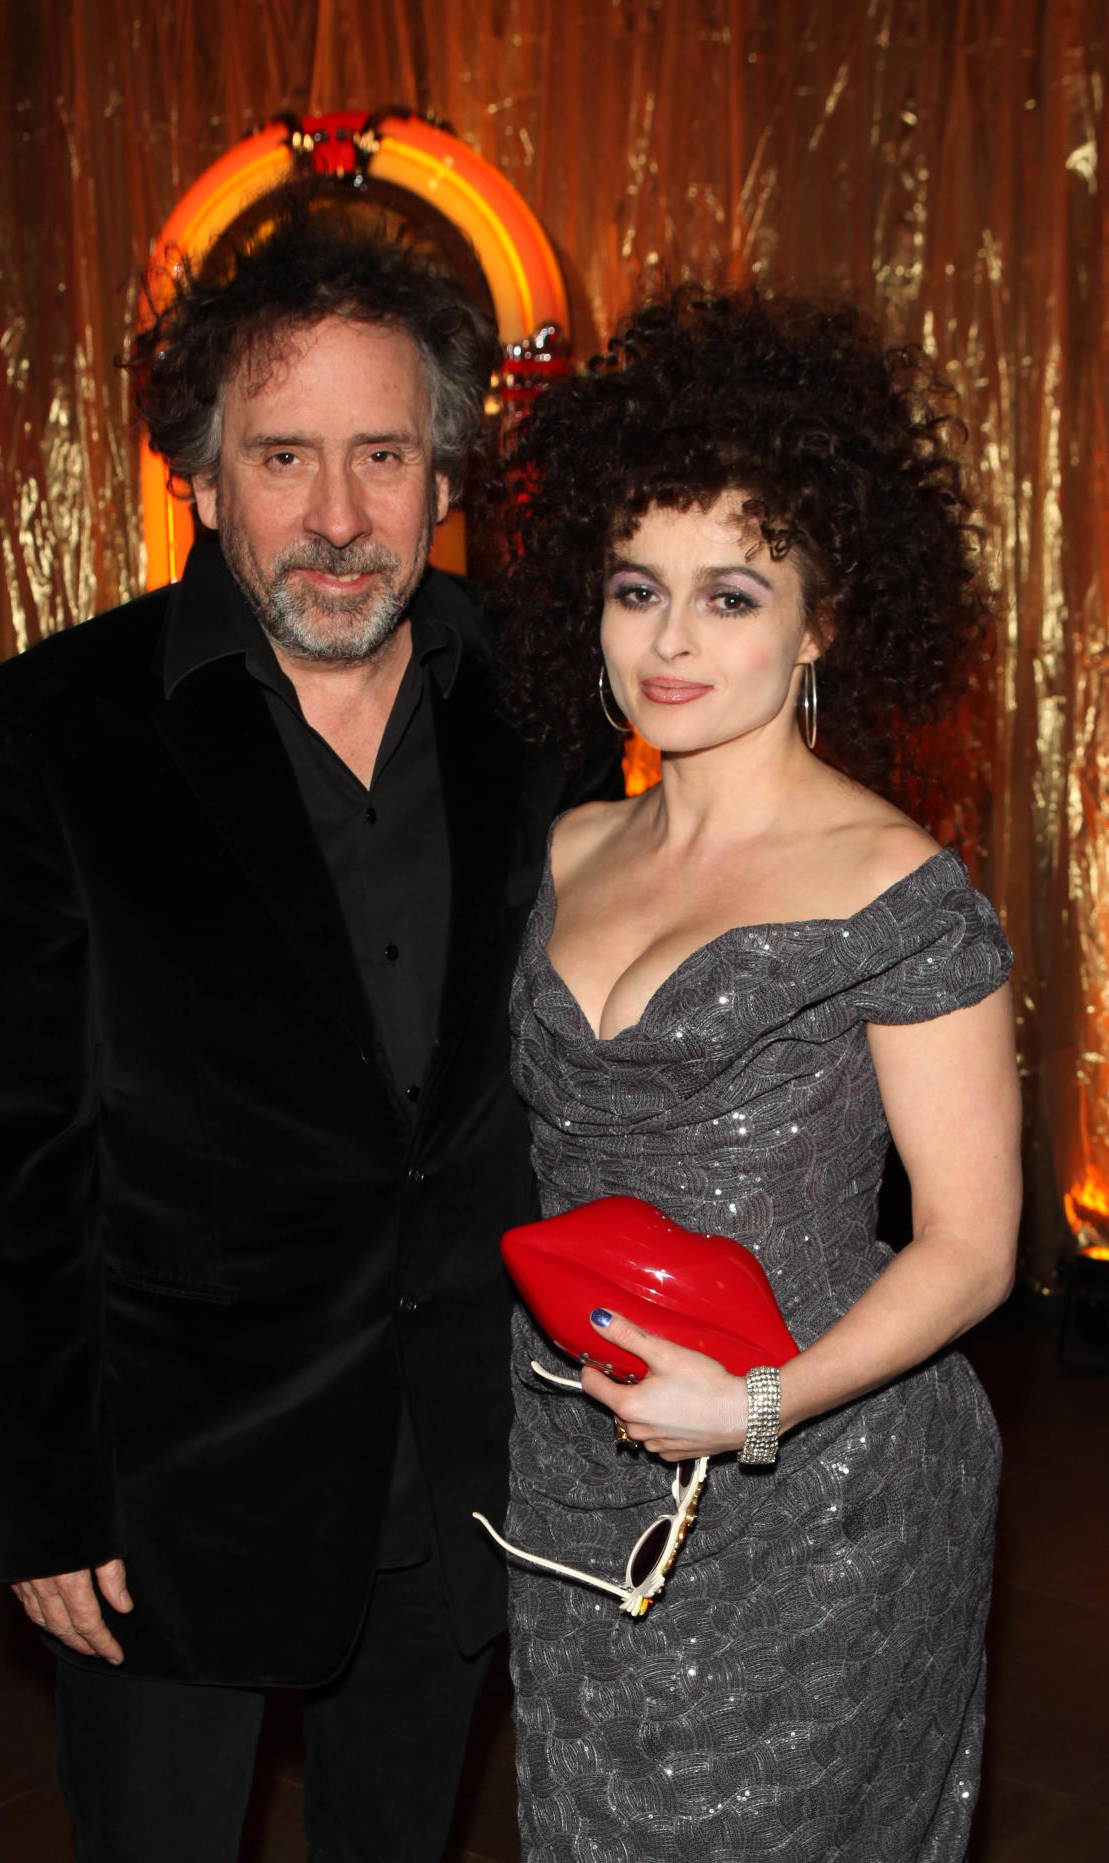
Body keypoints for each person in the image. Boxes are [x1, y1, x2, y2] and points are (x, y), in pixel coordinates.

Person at [0, 191, 613, 1863]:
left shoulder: (537, 709)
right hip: (180, 1476)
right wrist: (44, 1493)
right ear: (199, 473)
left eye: (383, 456)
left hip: (458, 1458)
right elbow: (8, 1147)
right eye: (282, 454)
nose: (336, 516)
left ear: (447, 481)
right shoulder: (62, 727)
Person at [488, 288, 1021, 1861]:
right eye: (635, 589)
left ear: (821, 621)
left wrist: (756, 1402)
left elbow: (974, 1246)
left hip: (823, 1493)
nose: (667, 641)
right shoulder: (572, 844)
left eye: (729, 596)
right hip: (580, 1470)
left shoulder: (895, 889)